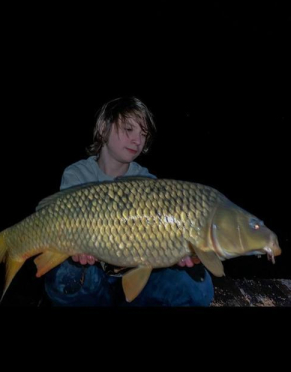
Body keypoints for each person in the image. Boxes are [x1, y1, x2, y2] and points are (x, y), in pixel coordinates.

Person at [44, 97, 214, 307]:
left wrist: (178, 251)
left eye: (144, 134)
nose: (137, 140)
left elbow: (164, 238)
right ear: (103, 128)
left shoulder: (148, 183)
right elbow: (62, 228)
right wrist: (73, 248)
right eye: (129, 129)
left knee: (199, 287)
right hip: (95, 278)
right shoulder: (77, 175)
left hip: (138, 277)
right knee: (64, 276)